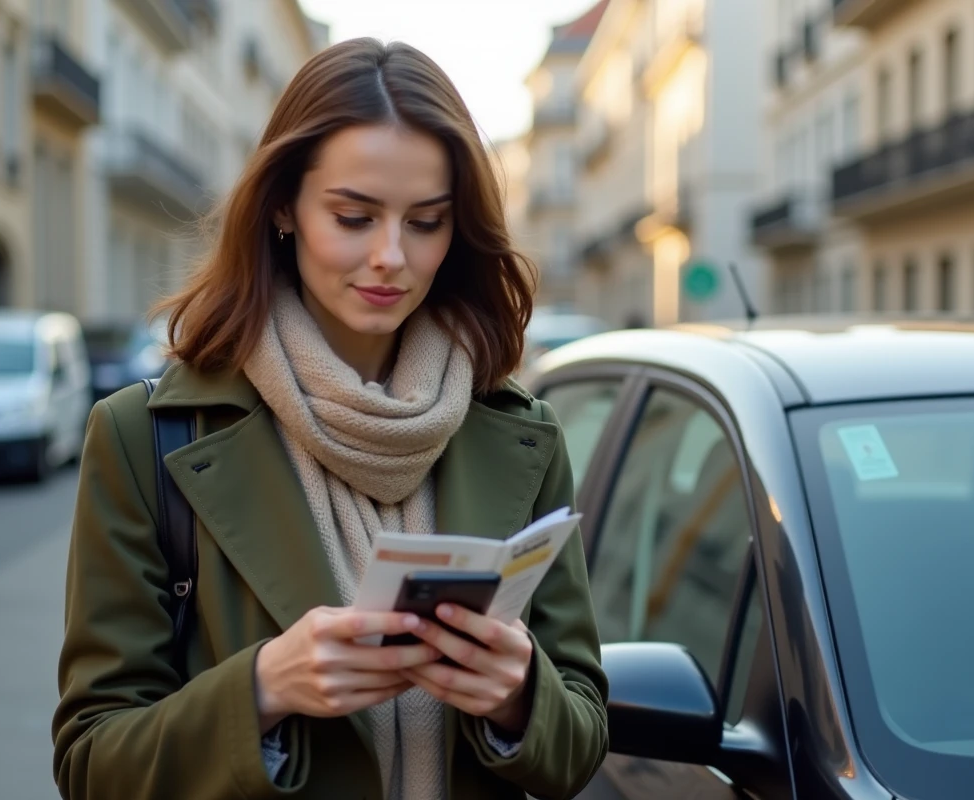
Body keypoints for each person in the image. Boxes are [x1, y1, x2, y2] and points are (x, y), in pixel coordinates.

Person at [51, 38, 608, 800]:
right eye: (353, 216)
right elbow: (91, 763)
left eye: (425, 222)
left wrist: (519, 694)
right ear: (284, 206)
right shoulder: (140, 437)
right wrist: (262, 689)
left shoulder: (524, 434)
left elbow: (579, 741)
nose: (390, 256)